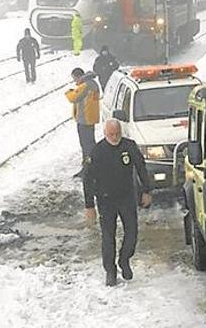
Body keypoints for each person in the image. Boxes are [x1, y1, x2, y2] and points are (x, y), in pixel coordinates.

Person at [85, 119, 152, 286]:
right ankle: (110, 270)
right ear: (105, 133)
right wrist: (89, 205)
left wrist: (147, 190)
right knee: (108, 236)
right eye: (111, 135)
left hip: (126, 197)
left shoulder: (129, 146)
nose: (114, 138)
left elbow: (141, 167)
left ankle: (124, 259)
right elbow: (87, 179)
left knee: (132, 233)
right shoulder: (97, 151)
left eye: (117, 134)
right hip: (105, 199)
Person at [65, 67, 100, 187]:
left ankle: (89, 169)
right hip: (90, 118)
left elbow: (73, 97)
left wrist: (68, 91)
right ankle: (89, 166)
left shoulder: (85, 86)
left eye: (74, 78)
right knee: (89, 144)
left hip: (85, 119)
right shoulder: (92, 83)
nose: (75, 81)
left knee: (87, 145)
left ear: (78, 76)